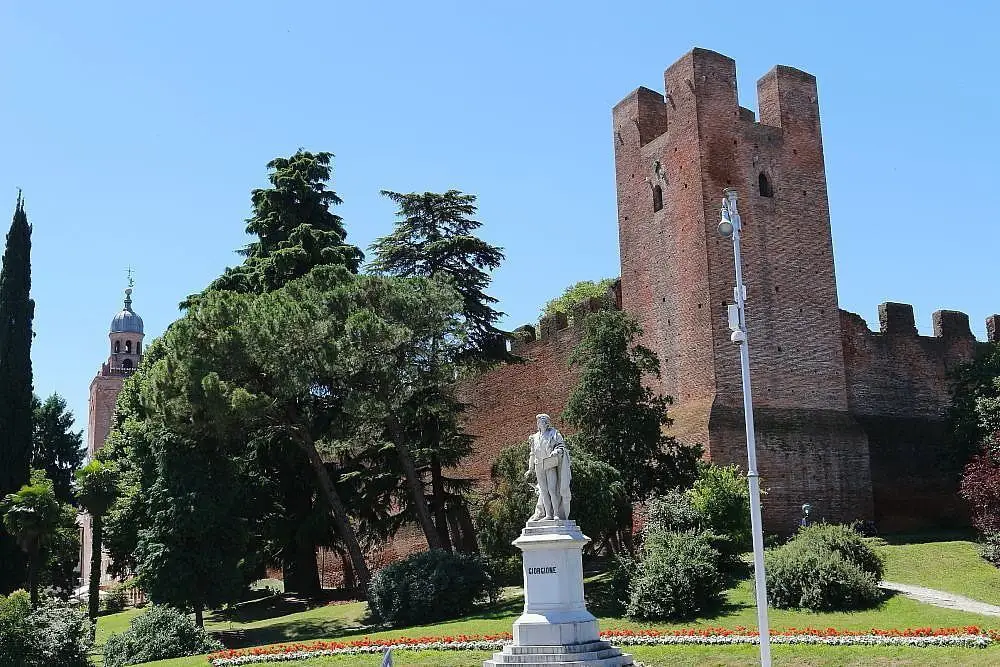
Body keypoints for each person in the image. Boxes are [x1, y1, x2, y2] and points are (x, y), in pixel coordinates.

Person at [524, 414, 572, 520]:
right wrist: (530, 468)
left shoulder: (554, 434)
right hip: (538, 465)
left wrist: (556, 451)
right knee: (543, 491)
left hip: (550, 463)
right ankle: (548, 515)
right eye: (538, 421)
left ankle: (556, 514)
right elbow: (532, 454)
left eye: (541, 421)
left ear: (546, 423)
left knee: (552, 489)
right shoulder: (534, 437)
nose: (539, 423)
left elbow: (561, 446)